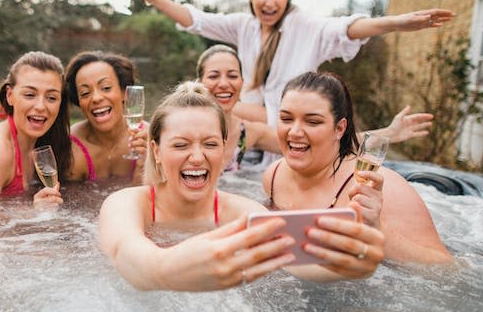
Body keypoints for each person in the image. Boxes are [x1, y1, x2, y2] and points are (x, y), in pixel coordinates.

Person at [98, 81, 387, 291]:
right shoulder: (126, 204)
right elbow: (127, 254)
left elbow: (297, 257)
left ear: (224, 149)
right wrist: (163, 270)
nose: (197, 156)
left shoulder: (241, 211)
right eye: (181, 144)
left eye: (210, 144)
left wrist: (349, 258)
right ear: (156, 150)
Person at [129, 0, 454, 132]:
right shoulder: (244, 26)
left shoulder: (306, 27)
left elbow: (347, 29)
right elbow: (195, 19)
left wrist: (399, 22)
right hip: (251, 134)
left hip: (289, 128)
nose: (270, 3)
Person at [262, 71, 452, 263]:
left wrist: (377, 231)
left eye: (312, 122)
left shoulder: (383, 188)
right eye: (286, 119)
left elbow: (447, 269)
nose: (294, 132)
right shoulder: (274, 176)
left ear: (339, 129)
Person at [195, 44, 435, 171]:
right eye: (214, 75)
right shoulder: (182, 126)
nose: (224, 83)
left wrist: (388, 134)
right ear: (199, 82)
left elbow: (326, 144)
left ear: (241, 83)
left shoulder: (249, 133)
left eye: (233, 75)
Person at [0, 51, 71, 204]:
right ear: (10, 95)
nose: (40, 106)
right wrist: (32, 214)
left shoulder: (48, 141)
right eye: (30, 95)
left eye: (51, 98)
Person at [63, 51, 148, 183]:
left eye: (106, 88)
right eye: (85, 93)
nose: (96, 98)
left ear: (124, 92)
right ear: (79, 101)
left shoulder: (148, 137)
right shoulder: (72, 149)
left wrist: (144, 165)